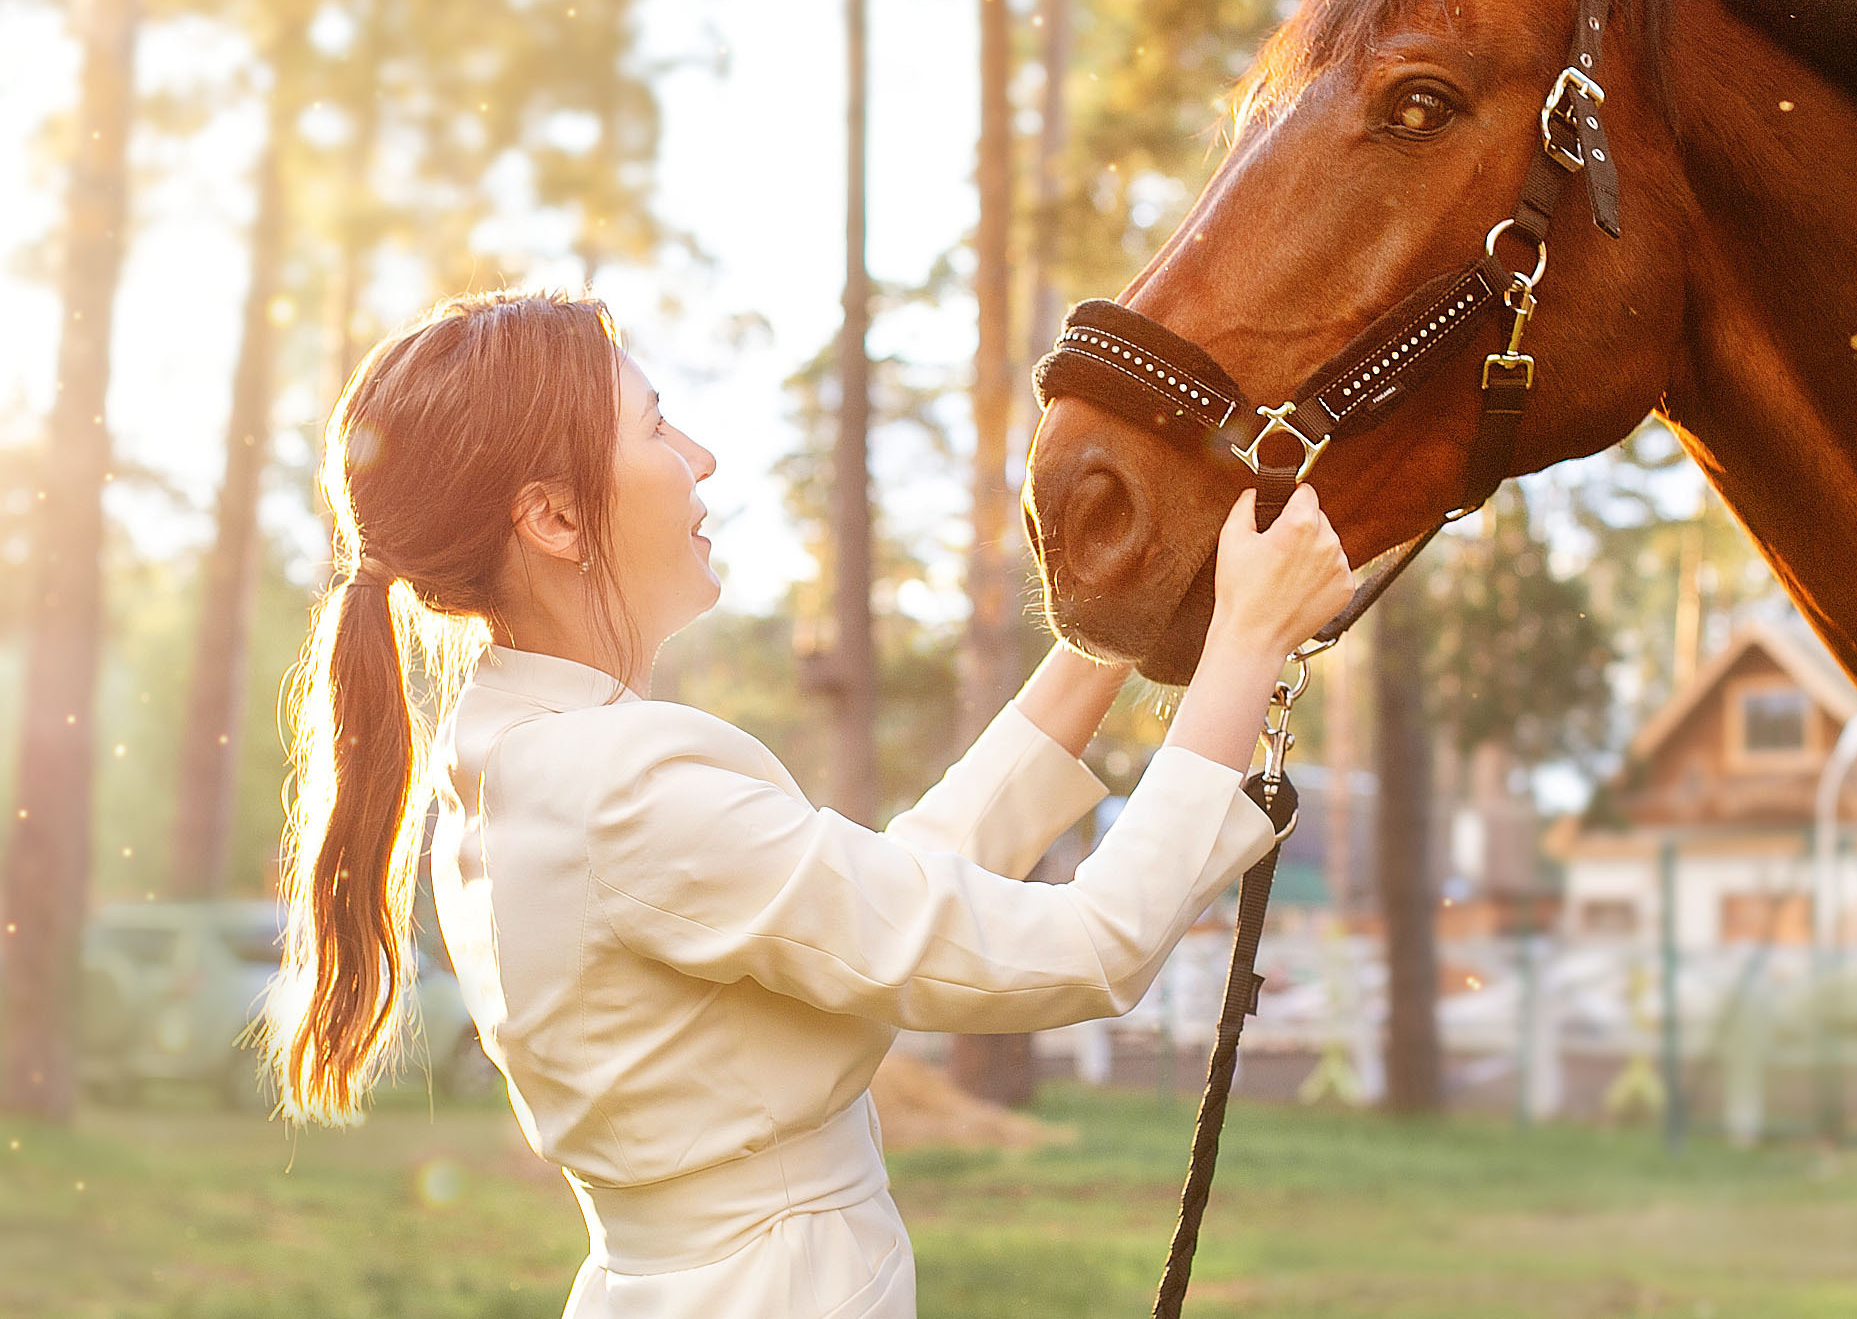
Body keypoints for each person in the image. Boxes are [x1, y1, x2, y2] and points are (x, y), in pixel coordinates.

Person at [262, 289, 1354, 1319]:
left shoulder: (527, 762)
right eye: (656, 431)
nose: (701, 460)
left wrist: (1115, 622)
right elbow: (1085, 943)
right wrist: (1247, 641)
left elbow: (891, 893)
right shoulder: (616, 789)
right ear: (552, 517)